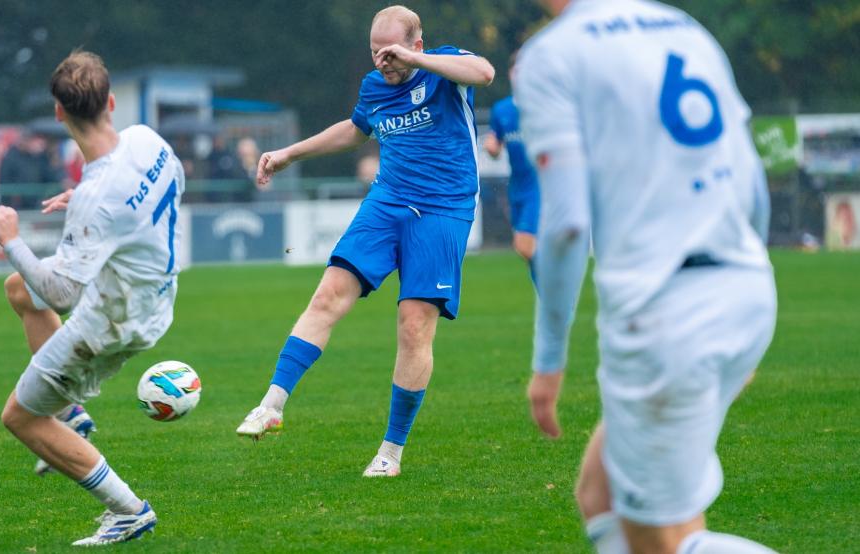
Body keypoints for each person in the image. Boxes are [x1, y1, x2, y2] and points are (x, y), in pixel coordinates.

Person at [515, 1, 778, 553]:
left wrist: (549, 361)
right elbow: (752, 184)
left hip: (664, 316)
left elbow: (566, 226)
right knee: (600, 493)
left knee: (661, 539)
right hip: (746, 290)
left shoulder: (552, 54)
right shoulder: (685, 28)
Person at [235, 4, 494, 477]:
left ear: (416, 45)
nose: (383, 61)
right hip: (387, 201)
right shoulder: (374, 86)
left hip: (444, 209)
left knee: (413, 326)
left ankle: (390, 452)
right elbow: (356, 130)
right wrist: (289, 154)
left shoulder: (443, 68)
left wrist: (416, 61)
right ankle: (271, 404)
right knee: (328, 294)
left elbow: (485, 72)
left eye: (392, 52)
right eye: (376, 52)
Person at [0, 50, 184, 546]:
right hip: (156, 290)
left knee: (20, 417)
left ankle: (129, 511)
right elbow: (164, 187)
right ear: (111, 102)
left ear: (59, 113)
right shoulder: (146, 140)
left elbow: (61, 294)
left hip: (116, 320)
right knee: (20, 290)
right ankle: (71, 414)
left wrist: (11, 241)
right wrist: (88, 204)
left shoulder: (99, 196)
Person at [484, 52, 540, 286]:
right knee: (527, 252)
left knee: (524, 245)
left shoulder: (545, 105)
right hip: (517, 187)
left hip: (541, 186)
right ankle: (551, 296)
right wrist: (492, 147)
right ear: (510, 73)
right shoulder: (502, 109)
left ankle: (558, 281)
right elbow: (496, 145)